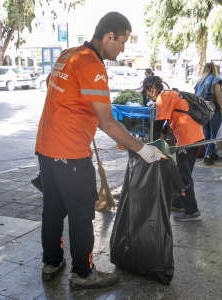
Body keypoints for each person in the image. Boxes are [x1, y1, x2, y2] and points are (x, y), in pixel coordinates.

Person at [35, 11, 166, 290]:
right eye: (122, 41)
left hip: (46, 148)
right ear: (109, 37)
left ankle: (51, 262)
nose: (123, 48)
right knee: (82, 215)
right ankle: (84, 273)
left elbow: (54, 88)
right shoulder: (92, 66)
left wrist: (82, 117)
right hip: (70, 153)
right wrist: (143, 149)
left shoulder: (69, 55)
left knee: (53, 210)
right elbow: (108, 123)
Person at [143, 75, 205, 221]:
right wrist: (159, 140)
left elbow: (158, 124)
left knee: (183, 175)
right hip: (194, 136)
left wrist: (148, 147)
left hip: (187, 139)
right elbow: (167, 124)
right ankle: (178, 202)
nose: (146, 95)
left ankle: (192, 211)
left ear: (152, 89)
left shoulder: (162, 98)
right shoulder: (170, 94)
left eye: (146, 91)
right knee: (180, 171)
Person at [194, 63, 222, 165]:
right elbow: (217, 96)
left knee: (206, 133)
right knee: (215, 133)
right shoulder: (215, 79)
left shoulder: (200, 81)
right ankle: (208, 155)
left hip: (202, 110)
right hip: (213, 109)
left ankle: (209, 153)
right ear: (214, 69)